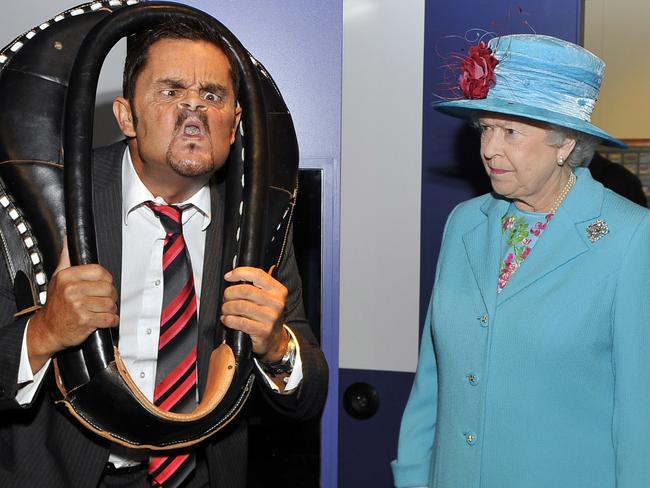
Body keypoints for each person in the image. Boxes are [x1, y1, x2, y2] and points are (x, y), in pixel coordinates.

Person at [0, 18, 327, 488]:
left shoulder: (254, 219)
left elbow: (309, 397)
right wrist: (45, 332)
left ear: (235, 124)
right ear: (126, 116)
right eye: (171, 92)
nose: (194, 110)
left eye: (212, 96)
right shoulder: (46, 204)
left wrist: (276, 346)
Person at [391, 34, 650, 488]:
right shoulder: (464, 223)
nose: (489, 148)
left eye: (510, 131)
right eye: (485, 128)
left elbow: (639, 416)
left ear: (565, 142)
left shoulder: (630, 237)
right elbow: (433, 380)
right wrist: (412, 476)